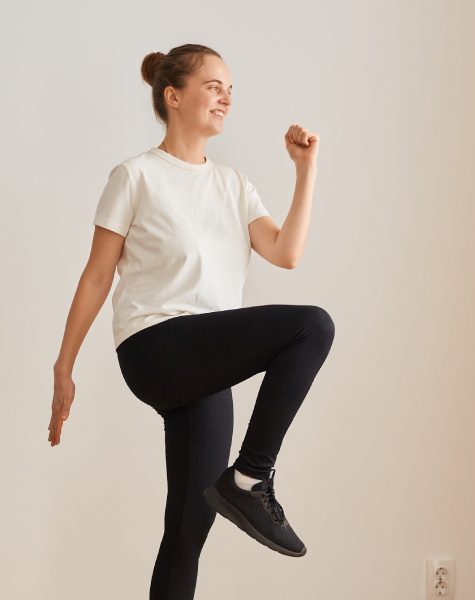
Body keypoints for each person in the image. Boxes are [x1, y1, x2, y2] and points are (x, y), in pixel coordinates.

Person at [47, 43, 334, 600]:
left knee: (188, 528)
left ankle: (241, 484)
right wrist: (65, 367)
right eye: (213, 85)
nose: (226, 96)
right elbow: (96, 277)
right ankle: (251, 479)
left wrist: (305, 171)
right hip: (156, 348)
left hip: (208, 361)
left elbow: (286, 253)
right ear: (173, 96)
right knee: (311, 326)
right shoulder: (135, 176)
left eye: (231, 88)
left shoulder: (234, 186)